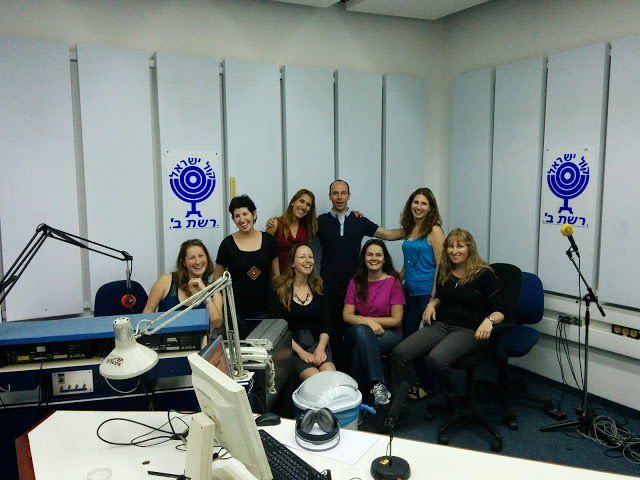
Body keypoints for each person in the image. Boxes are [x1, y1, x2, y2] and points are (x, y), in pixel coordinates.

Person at [391, 228, 504, 410]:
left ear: (470, 249)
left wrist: (489, 320)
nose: (454, 251)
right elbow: (441, 297)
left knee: (436, 359)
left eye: (460, 246)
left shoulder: (484, 274)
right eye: (450, 246)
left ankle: (454, 399)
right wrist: (431, 304)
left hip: (469, 329)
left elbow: (501, 311)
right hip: (443, 324)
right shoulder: (445, 270)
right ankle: (398, 405)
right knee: (400, 352)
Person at [316, 179, 403, 368]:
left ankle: (354, 377)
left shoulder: (359, 220)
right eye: (335, 193)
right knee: (332, 332)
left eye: (343, 193)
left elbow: (388, 235)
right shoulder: (320, 221)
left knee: (354, 333)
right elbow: (296, 232)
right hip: (328, 287)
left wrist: (418, 228)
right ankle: (335, 374)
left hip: (356, 287)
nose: (339, 197)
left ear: (349, 196)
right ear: (330, 196)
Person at [342, 239, 404, 408]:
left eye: (378, 255)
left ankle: (357, 403)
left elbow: (396, 320)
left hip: (389, 334)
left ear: (384, 259)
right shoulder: (355, 282)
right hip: (357, 332)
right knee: (362, 331)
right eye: (370, 254)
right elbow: (347, 315)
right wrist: (368, 322)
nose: (374, 258)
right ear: (364, 258)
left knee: (357, 353)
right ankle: (378, 384)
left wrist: (369, 322)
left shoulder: (393, 282)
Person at [399, 187, 444, 400]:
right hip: (410, 291)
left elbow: (441, 266)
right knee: (408, 339)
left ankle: (429, 384)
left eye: (423, 203)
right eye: (415, 202)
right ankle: (425, 380)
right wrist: (396, 279)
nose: (418, 207)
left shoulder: (434, 230)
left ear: (430, 207)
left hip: (427, 293)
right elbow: (409, 261)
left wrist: (433, 300)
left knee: (424, 343)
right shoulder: (410, 228)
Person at [214, 195, 280, 339]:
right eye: (237, 216)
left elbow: (276, 276)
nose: (242, 219)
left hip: (266, 310)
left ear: (254, 214)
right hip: (237, 312)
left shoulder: (269, 241)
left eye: (245, 214)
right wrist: (220, 311)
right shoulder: (227, 244)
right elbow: (216, 280)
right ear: (233, 219)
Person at [273, 242, 335, 381]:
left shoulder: (319, 286)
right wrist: (302, 353)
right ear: (292, 263)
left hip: (317, 343)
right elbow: (278, 330)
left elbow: (327, 324)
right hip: (292, 347)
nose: (308, 260)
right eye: (302, 257)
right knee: (315, 378)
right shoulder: (279, 289)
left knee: (330, 376)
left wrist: (320, 349)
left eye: (310, 257)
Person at [144, 239, 223, 335]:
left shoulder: (214, 292)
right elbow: (145, 317)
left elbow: (217, 324)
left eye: (201, 256)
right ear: (183, 262)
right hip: (163, 340)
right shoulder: (166, 281)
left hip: (198, 343)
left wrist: (204, 292)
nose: (198, 261)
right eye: (192, 258)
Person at [266, 189, 317, 273]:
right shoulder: (275, 224)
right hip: (278, 276)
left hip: (299, 277)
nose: (304, 207)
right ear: (293, 202)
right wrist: (276, 278)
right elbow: (266, 253)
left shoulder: (306, 230)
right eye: (301, 201)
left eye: (308, 205)